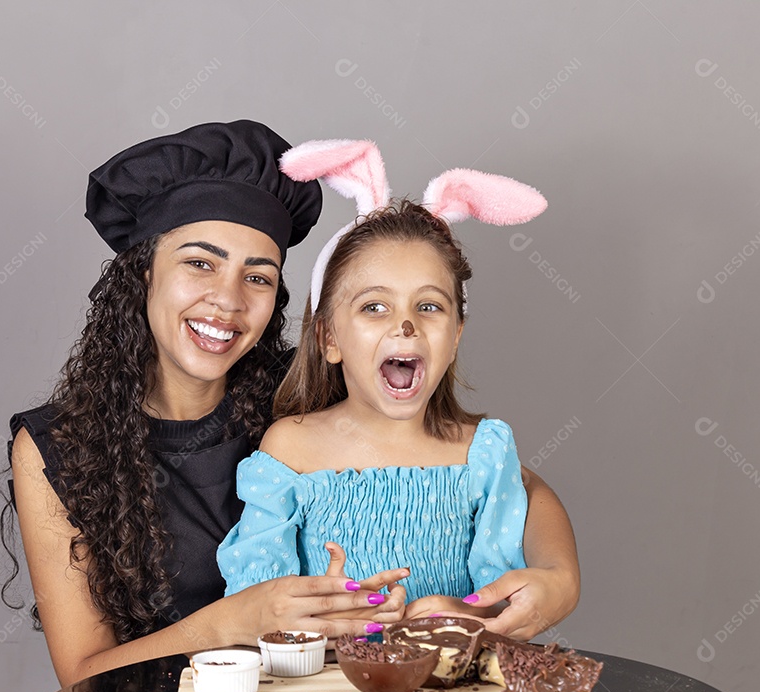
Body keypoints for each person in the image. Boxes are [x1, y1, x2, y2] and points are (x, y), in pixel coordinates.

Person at [2, 122, 580, 688]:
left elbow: (512, 483)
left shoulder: (306, 397)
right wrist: (236, 619)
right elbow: (83, 676)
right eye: (200, 263)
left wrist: (559, 578)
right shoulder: (59, 448)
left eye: (257, 277)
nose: (227, 300)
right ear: (143, 272)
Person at [218, 139, 562, 625]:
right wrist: (319, 611)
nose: (405, 325)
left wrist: (459, 614)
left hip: (447, 674)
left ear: (455, 336)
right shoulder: (291, 448)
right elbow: (257, 603)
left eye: (429, 306)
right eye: (374, 307)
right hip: (321, 674)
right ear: (329, 338)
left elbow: (504, 604)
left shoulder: (483, 454)